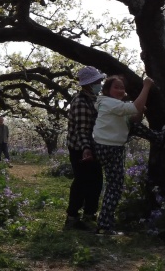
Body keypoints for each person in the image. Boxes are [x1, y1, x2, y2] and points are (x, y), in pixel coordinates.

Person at [93, 75, 165, 235]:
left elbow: (134, 118)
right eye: (116, 87)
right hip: (111, 147)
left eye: (122, 87)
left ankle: (158, 138)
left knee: (112, 186)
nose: (121, 90)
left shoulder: (113, 105)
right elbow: (134, 109)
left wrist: (140, 111)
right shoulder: (108, 102)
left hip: (106, 145)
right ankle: (104, 225)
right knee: (114, 187)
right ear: (107, 90)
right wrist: (147, 85)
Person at [64, 66, 105, 231]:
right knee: (82, 181)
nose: (100, 84)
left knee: (95, 181)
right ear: (89, 84)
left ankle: (89, 214)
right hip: (80, 148)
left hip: (92, 146)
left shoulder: (94, 99)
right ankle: (73, 217)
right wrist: (86, 149)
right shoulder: (81, 102)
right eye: (97, 81)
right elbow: (82, 130)